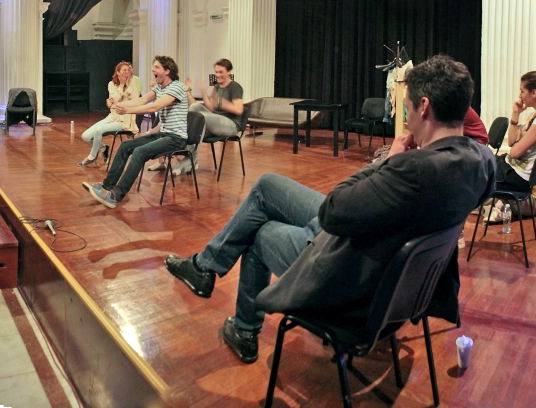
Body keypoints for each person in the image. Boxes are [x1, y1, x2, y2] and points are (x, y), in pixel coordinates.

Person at [162, 55, 496, 363]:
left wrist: (388, 162)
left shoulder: (413, 170)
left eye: (406, 110)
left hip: (352, 274)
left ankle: (244, 329)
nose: (406, 121)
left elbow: (333, 211)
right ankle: (205, 267)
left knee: (260, 232)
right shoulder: (481, 162)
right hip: (389, 267)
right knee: (266, 186)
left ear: (424, 107)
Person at [83, 56, 191, 209]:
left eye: (157, 67)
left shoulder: (176, 87)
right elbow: (142, 100)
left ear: (167, 71)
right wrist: (118, 104)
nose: (152, 69)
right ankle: (106, 186)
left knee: (139, 152)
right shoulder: (159, 87)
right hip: (164, 134)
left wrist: (127, 110)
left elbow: (154, 107)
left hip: (176, 138)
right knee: (125, 146)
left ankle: (115, 196)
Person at [495, 70, 536, 204]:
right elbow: (511, 142)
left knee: (479, 169)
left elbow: (514, 152)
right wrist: (516, 113)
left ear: (534, 93)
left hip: (520, 177)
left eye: (522, 91)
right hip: (514, 169)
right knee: (482, 163)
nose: (520, 96)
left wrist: (517, 144)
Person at [78, 61, 141, 167]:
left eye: (128, 70)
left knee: (99, 130)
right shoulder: (111, 84)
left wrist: (127, 85)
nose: (126, 72)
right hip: (112, 117)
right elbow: (114, 100)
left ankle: (92, 156)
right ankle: (103, 148)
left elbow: (135, 100)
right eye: (124, 70)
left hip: (125, 120)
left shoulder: (133, 83)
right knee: (86, 136)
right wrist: (121, 85)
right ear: (118, 72)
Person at [188, 58, 245, 169]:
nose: (217, 75)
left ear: (228, 72)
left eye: (221, 72)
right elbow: (211, 108)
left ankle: (190, 159)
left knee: (202, 117)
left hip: (231, 125)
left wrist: (223, 103)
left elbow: (239, 110)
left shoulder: (235, 87)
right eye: (216, 72)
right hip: (217, 119)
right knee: (194, 107)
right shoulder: (217, 86)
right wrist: (203, 91)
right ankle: (189, 155)